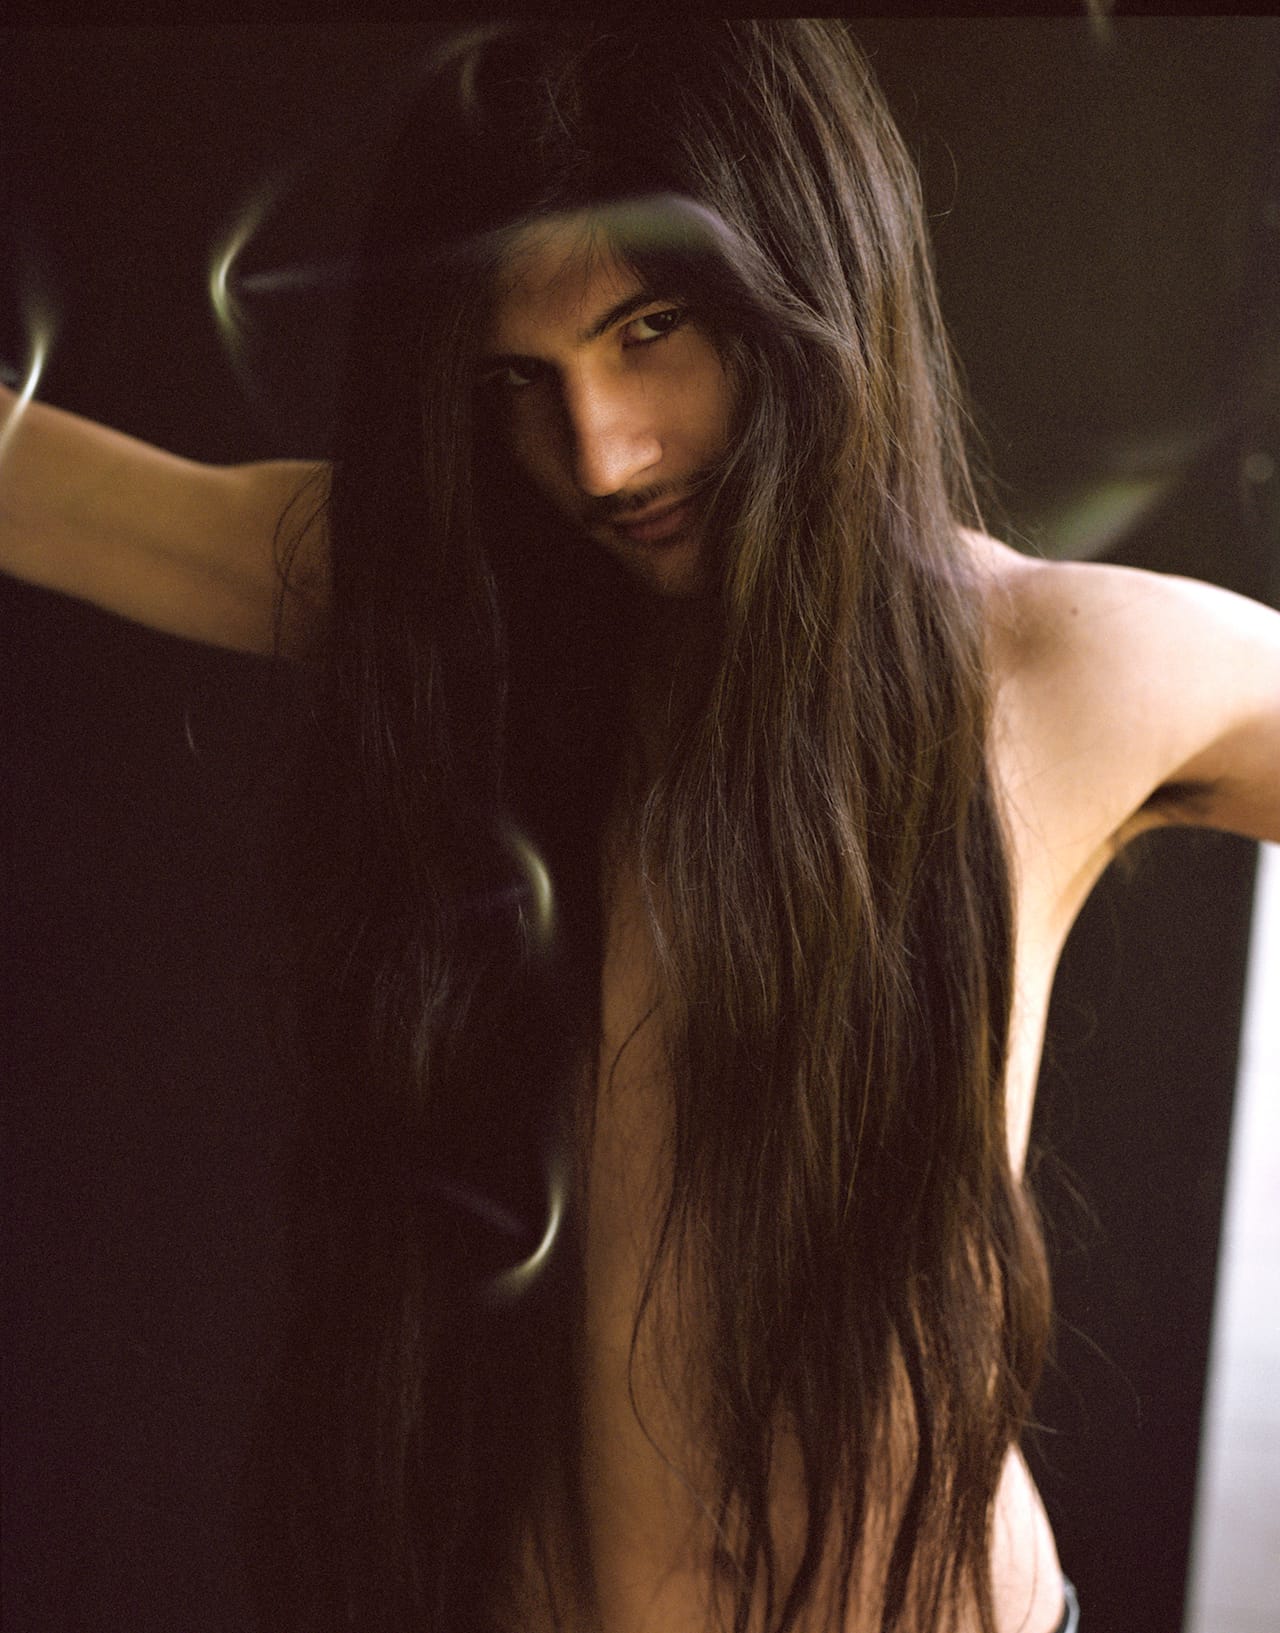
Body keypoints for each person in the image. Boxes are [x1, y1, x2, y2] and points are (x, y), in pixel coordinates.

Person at [1, 19, 1277, 1633]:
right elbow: (42, 486)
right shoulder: (467, 614)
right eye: (518, 381)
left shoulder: (1065, 668)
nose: (599, 455)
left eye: (649, 330)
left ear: (808, 289)